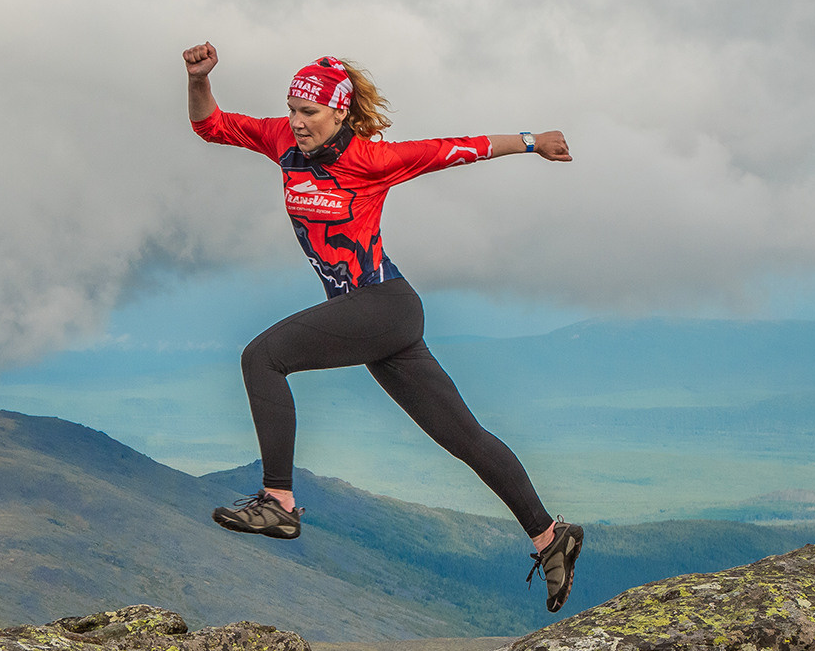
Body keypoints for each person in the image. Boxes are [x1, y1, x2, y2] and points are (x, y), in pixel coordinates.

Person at [184, 42, 586, 613]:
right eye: (292, 110)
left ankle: (278, 501)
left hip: (383, 306)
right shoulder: (282, 141)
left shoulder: (372, 160)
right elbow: (211, 125)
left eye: (309, 112)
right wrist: (198, 79)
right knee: (463, 436)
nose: (297, 122)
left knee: (262, 357)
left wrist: (533, 141)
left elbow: (457, 148)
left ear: (340, 113)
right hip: (373, 319)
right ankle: (551, 537)